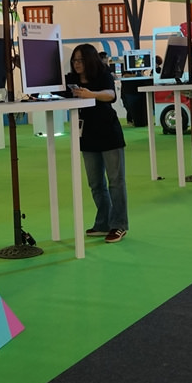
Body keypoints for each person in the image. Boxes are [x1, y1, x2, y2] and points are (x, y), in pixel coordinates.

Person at [66, 44, 129, 243]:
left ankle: (119, 225)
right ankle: (103, 222)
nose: (77, 64)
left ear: (89, 60)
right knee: (95, 183)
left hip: (109, 134)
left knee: (116, 182)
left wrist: (91, 94)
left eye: (80, 60)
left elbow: (111, 95)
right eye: (74, 60)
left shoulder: (103, 74)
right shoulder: (71, 79)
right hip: (87, 136)